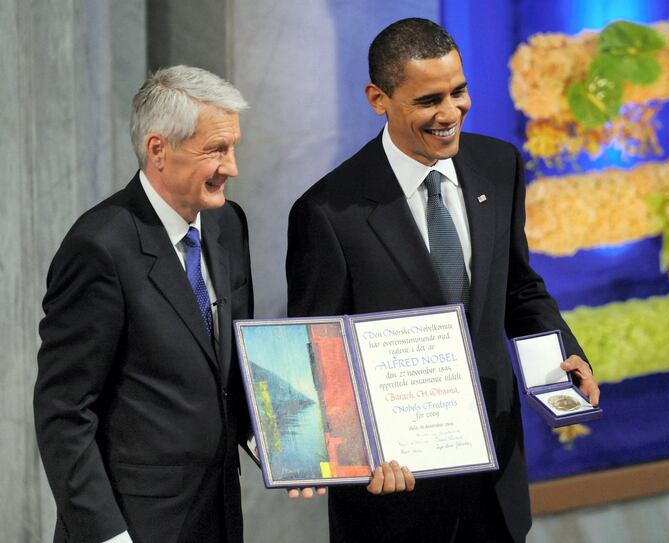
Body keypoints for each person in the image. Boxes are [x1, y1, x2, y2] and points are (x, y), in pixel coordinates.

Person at [286, 18, 600, 542]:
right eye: (429, 100)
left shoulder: (499, 166)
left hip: (495, 481)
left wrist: (563, 358)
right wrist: (359, 453)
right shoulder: (327, 212)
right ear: (377, 98)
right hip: (394, 499)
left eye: (459, 91)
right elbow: (320, 356)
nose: (451, 113)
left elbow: (518, 288)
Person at [34, 65, 254, 543]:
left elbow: (234, 371)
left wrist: (291, 447)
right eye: (216, 149)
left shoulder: (227, 225)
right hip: (136, 526)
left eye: (232, 147)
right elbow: (64, 411)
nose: (232, 167)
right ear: (159, 149)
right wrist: (108, 536)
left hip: (217, 517)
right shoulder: (99, 247)